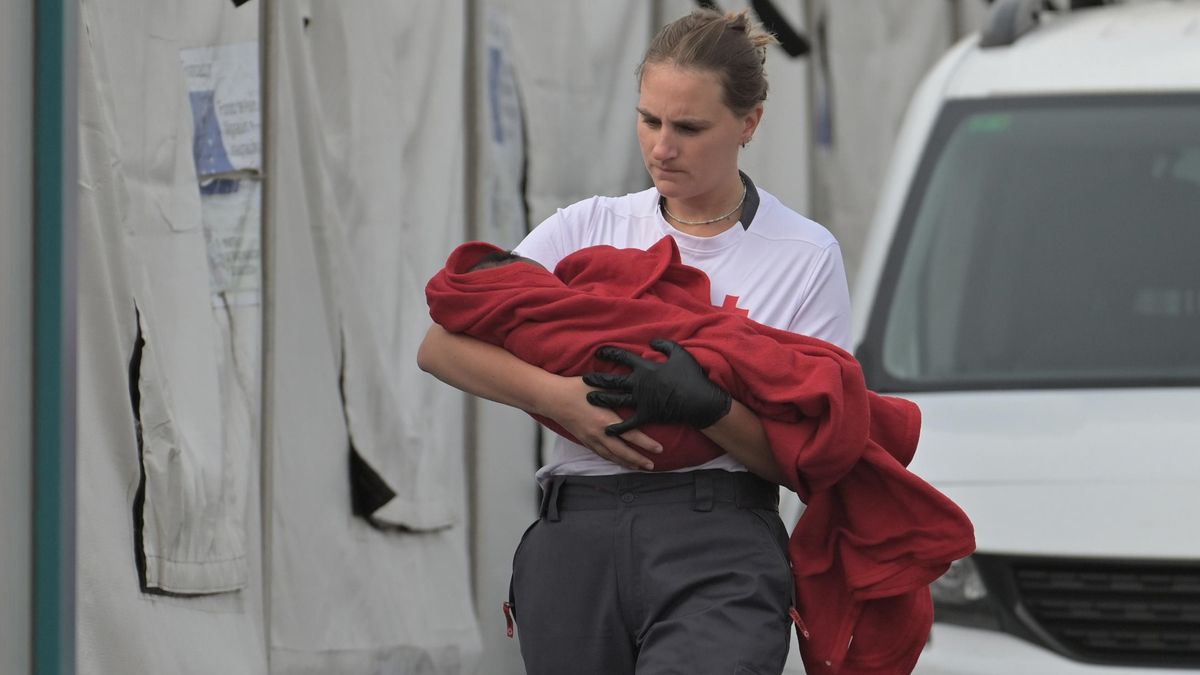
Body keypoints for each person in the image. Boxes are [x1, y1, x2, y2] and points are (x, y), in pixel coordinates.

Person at [418, 9, 854, 674]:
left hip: (718, 539)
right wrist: (562, 399)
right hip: (575, 532)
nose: (661, 147)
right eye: (649, 119)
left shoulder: (805, 254)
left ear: (750, 124)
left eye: (688, 127)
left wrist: (709, 408)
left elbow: (810, 457)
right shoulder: (586, 224)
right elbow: (441, 346)